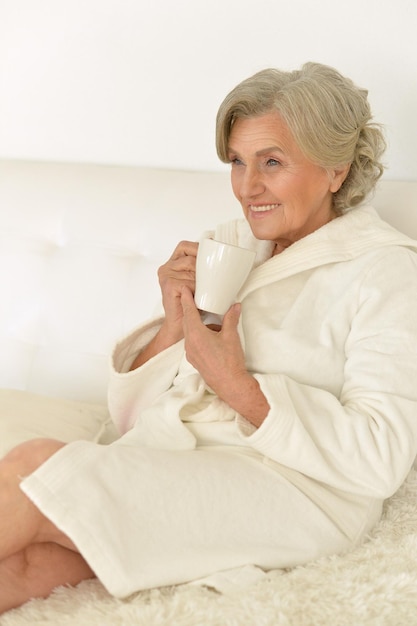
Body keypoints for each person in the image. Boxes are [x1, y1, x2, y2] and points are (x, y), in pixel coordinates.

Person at [2, 61, 417, 613]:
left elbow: (380, 457)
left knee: (35, 465)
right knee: (32, 562)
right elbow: (130, 421)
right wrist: (175, 326)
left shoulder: (385, 271)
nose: (248, 188)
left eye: (273, 162)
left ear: (336, 169)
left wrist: (234, 382)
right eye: (239, 163)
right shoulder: (231, 248)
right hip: (181, 458)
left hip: (292, 491)